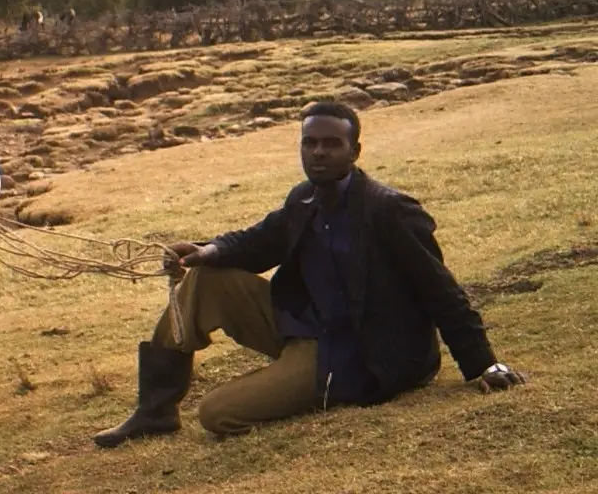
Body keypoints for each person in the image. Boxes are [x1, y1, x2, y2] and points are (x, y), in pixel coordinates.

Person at [93, 101, 526, 448]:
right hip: (303, 327)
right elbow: (258, 241)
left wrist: (484, 364)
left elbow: (442, 291)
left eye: (331, 144)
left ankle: (306, 389)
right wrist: (205, 251)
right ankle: (155, 411)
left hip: (357, 354)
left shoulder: (388, 211)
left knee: (216, 413)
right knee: (206, 276)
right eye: (310, 143)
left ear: (354, 152)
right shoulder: (304, 199)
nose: (319, 152)